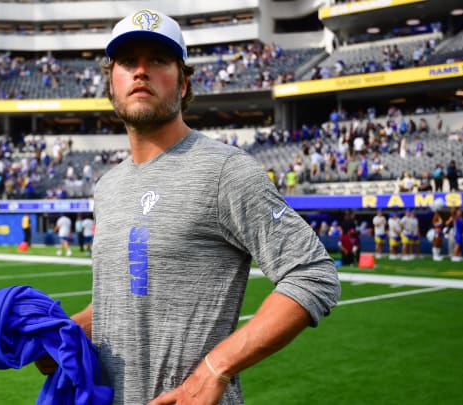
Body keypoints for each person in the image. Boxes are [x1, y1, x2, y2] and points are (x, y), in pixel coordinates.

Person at [35, 10, 340, 404]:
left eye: (158, 60)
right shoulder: (106, 187)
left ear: (184, 82)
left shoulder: (224, 171)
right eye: (128, 62)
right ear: (111, 82)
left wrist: (217, 367)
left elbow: (313, 273)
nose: (141, 72)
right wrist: (66, 335)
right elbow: (125, 296)